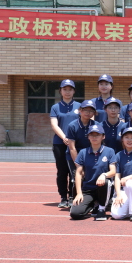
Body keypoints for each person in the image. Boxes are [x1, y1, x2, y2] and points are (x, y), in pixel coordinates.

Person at [70, 123, 115, 221]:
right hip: (88, 189)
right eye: (92, 135)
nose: (94, 137)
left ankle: (101, 209)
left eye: (97, 135)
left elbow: (113, 171)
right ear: (88, 137)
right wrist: (79, 193)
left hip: (103, 188)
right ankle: (93, 204)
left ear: (103, 137)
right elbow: (78, 173)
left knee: (105, 182)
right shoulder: (83, 152)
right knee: (75, 214)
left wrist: (104, 175)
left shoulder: (109, 151)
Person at [50, 79, 81, 208]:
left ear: (74, 91)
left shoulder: (80, 106)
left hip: (76, 144)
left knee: (74, 170)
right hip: (60, 143)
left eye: (70, 89)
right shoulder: (55, 107)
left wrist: (72, 139)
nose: (67, 92)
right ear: (60, 91)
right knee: (62, 171)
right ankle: (63, 197)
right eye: (65, 89)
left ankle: (73, 196)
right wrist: (64, 137)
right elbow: (54, 124)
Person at [65, 99, 98, 175]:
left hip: (91, 156)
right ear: (80, 110)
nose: (88, 113)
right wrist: (78, 166)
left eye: (91, 111)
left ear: (94, 113)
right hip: (75, 156)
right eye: (85, 110)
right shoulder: (72, 126)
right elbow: (72, 148)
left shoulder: (96, 125)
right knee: (77, 177)